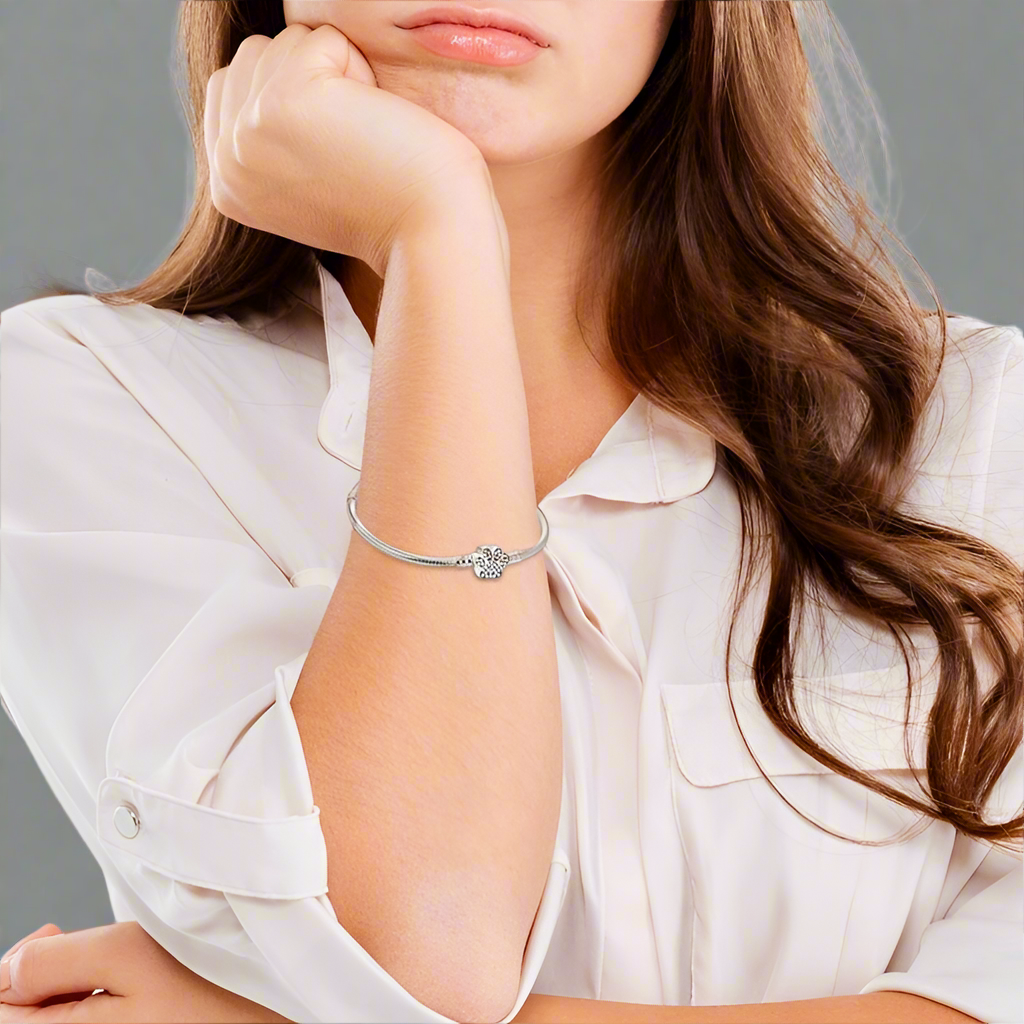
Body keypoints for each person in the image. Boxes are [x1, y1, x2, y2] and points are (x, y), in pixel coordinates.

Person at [0, 2, 1020, 1023]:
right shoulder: (89, 401)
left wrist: (279, 1014)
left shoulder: (978, 427)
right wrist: (437, 235)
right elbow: (419, 952)